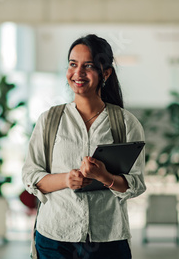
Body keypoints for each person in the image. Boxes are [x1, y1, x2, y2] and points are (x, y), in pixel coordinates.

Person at [22, 34, 146, 259]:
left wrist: (104, 176)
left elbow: (136, 184)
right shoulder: (50, 120)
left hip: (108, 239)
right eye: (73, 64)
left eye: (88, 66)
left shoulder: (126, 123)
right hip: (55, 238)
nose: (77, 73)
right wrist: (66, 180)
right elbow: (31, 175)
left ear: (105, 73)